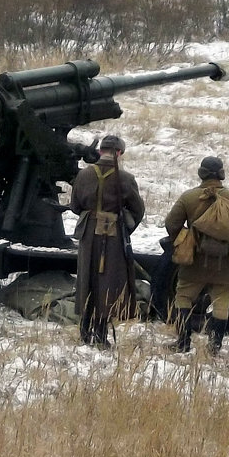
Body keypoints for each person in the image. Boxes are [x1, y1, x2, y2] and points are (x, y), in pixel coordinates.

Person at [164, 157, 229, 354]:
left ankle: (183, 342)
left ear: (201, 173)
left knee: (183, 296)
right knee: (222, 303)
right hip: (226, 262)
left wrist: (183, 239)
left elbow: (171, 224)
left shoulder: (188, 197)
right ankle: (214, 346)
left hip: (194, 261)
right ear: (221, 174)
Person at [70, 134, 146, 348]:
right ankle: (101, 334)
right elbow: (138, 210)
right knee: (108, 282)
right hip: (113, 233)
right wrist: (126, 228)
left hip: (88, 232)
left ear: (101, 150)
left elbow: (75, 206)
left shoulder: (84, 174)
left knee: (86, 278)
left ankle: (85, 331)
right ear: (119, 153)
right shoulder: (126, 178)